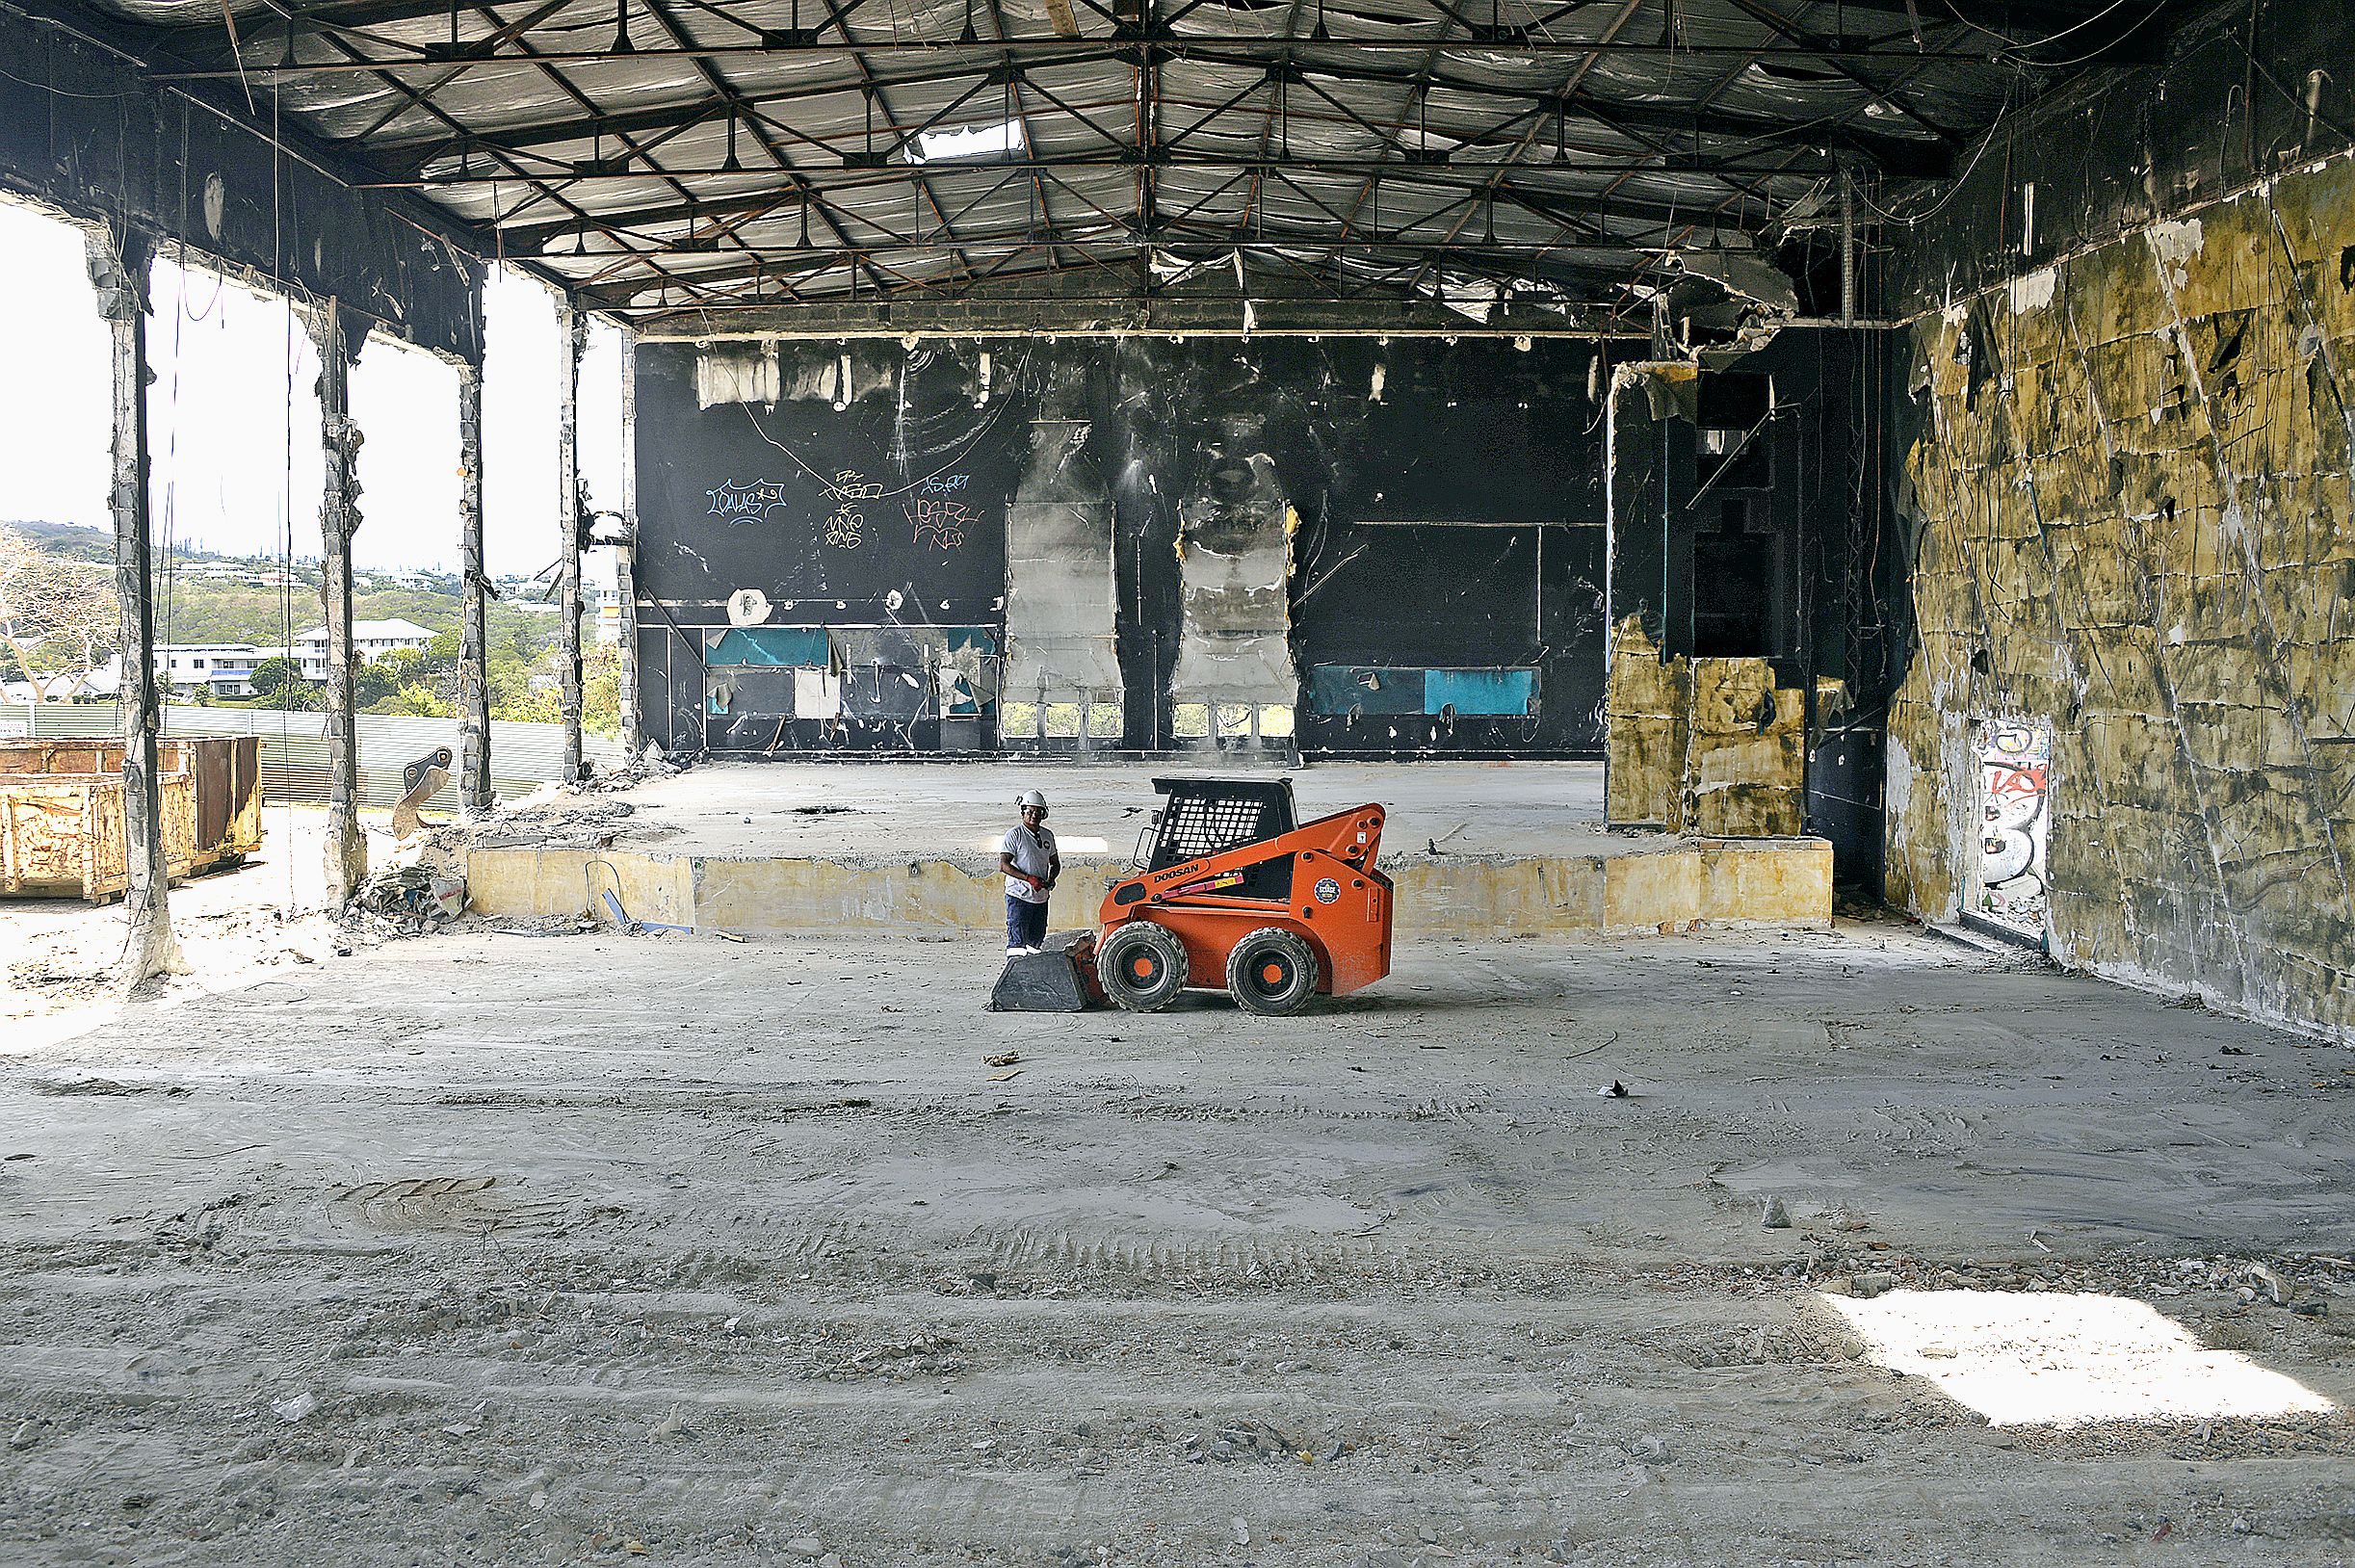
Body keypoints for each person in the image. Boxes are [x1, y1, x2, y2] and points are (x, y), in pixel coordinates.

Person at [999, 789, 1060, 956]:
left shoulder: (1047, 836)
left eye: (1038, 811)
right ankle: (1014, 979)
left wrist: (1051, 879)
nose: (1034, 815)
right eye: (1030, 811)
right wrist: (1028, 878)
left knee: (1035, 944)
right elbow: (1003, 865)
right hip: (1019, 897)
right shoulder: (1015, 835)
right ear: (1023, 812)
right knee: (1017, 944)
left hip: (1040, 899)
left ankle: (1032, 979)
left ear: (1043, 813)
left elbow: (1055, 864)